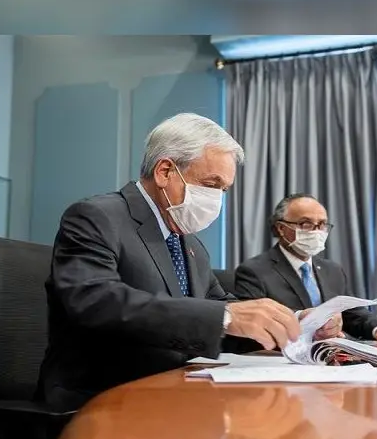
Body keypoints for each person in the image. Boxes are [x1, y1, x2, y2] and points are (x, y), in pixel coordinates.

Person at [35, 114, 340, 410]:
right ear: (165, 171)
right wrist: (226, 316)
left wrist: (293, 322)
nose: (217, 198)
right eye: (211, 183)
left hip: (175, 390)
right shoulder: (97, 216)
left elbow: (219, 312)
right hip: (100, 394)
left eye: (223, 190)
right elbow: (96, 301)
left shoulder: (189, 241)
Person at [234, 193, 377, 344]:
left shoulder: (332, 270)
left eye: (322, 224)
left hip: (332, 360)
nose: (316, 231)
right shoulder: (254, 271)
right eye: (306, 224)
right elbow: (252, 328)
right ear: (281, 228)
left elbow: (353, 314)